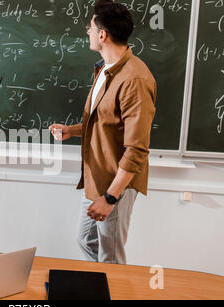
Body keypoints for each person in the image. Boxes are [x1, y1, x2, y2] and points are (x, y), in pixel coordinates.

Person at [49, 0, 156, 264]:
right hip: (96, 178)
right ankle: (99, 288)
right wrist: (72, 131)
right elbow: (103, 121)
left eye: (90, 27)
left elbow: (137, 149)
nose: (87, 31)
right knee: (85, 239)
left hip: (115, 182)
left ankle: (111, 290)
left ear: (102, 34)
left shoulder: (135, 79)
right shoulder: (104, 70)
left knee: (111, 257)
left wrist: (111, 197)